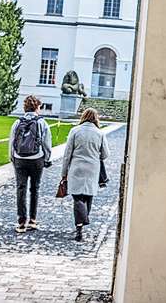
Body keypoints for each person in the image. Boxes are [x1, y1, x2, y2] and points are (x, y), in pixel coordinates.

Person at [61, 107, 109, 241]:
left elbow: (67, 154)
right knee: (88, 197)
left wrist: (64, 173)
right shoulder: (99, 133)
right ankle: (82, 222)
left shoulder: (75, 131)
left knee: (77, 197)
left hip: (76, 167)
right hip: (92, 169)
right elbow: (105, 154)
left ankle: (80, 225)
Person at [9, 95, 52, 233]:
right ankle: (32, 220)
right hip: (36, 158)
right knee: (35, 188)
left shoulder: (17, 122)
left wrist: (12, 158)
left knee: (20, 188)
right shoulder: (42, 123)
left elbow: (11, 141)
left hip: (20, 158)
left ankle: (21, 221)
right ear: (37, 107)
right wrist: (47, 158)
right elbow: (46, 143)